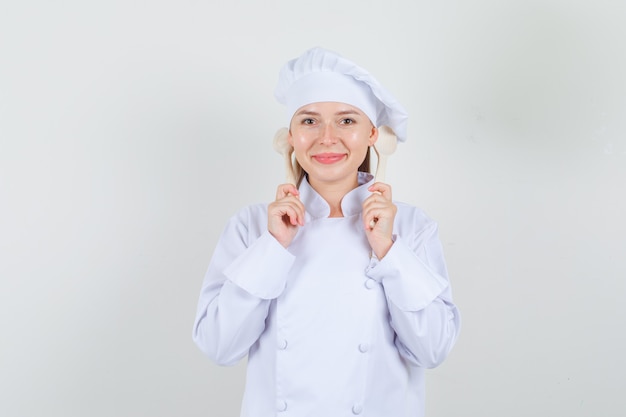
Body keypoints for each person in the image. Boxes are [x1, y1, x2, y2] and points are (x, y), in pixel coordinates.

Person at [192, 47, 460, 417]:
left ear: (372, 135)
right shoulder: (251, 227)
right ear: (289, 136)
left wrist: (388, 250)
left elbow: (432, 350)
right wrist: (272, 247)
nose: (327, 138)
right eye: (309, 121)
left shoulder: (411, 227)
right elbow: (218, 346)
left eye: (347, 121)